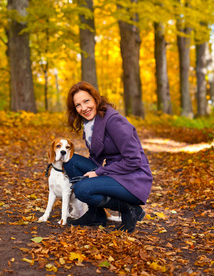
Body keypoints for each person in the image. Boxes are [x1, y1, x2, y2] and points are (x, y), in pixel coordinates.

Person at [63, 81, 152, 233]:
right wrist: (88, 172)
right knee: (71, 162)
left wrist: (97, 173)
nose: (84, 108)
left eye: (86, 101)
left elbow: (134, 160)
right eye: (78, 105)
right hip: (115, 172)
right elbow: (96, 156)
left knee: (82, 189)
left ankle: (130, 209)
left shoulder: (114, 121)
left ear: (95, 99)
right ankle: (95, 215)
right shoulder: (90, 123)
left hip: (133, 177)